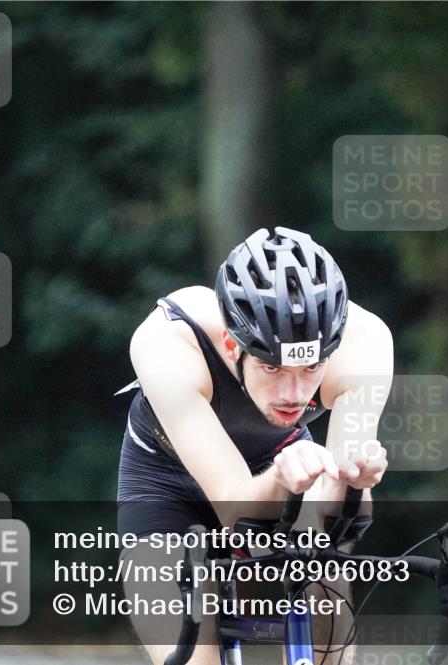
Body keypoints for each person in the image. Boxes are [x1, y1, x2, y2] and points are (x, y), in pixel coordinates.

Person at [115, 226, 393, 665]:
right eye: (271, 367)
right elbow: (237, 512)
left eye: (312, 368)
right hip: (166, 484)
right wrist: (283, 477)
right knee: (193, 657)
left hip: (281, 462)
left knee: (326, 571)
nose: (294, 394)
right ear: (232, 343)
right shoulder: (170, 341)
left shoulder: (364, 345)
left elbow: (340, 522)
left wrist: (354, 481)